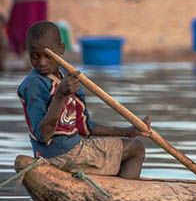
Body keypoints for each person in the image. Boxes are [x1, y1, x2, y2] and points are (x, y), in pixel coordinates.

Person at [17, 21, 150, 179]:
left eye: (48, 55)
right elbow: (43, 135)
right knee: (136, 149)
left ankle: (110, 192)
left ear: (61, 49)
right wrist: (60, 96)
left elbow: (85, 127)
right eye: (35, 56)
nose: (42, 62)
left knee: (128, 145)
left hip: (74, 151)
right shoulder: (34, 85)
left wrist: (128, 132)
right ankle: (126, 199)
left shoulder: (69, 79)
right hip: (62, 156)